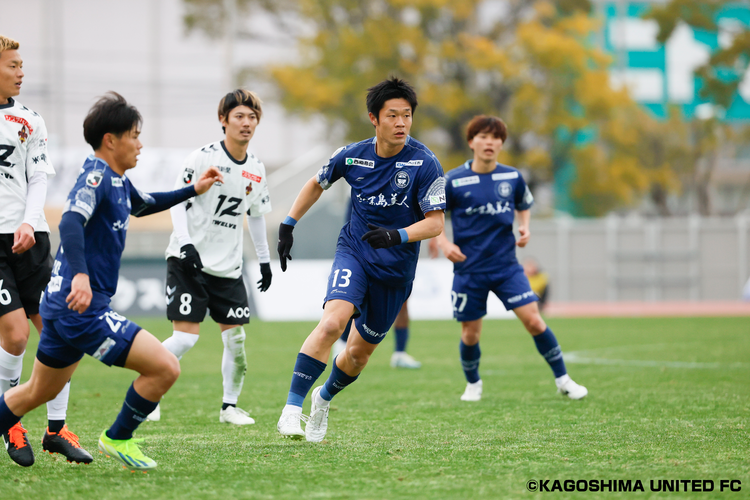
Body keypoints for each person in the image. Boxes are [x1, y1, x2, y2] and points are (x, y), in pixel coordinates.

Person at [0, 92, 223, 471]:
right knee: (165, 367)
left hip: (61, 308)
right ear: (111, 140)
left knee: (36, 391)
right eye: (134, 135)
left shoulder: (117, 180)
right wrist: (81, 275)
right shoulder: (97, 176)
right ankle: (118, 437)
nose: (140, 144)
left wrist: (193, 190)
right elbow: (71, 221)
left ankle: (76, 433)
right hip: (81, 310)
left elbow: (144, 203)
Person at [276, 77, 446, 442]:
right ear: (374, 118)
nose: (401, 123)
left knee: (356, 356)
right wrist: (288, 224)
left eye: (407, 115)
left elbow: (435, 224)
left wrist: (396, 236)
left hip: (395, 271)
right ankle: (291, 410)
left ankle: (323, 399)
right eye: (392, 115)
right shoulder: (351, 156)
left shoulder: (426, 163)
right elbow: (316, 183)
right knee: (331, 325)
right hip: (354, 252)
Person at [432, 115, 586, 402]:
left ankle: (564, 380)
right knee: (470, 335)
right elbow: (434, 215)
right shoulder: (453, 180)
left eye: (496, 137)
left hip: (506, 268)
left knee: (535, 321)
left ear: (502, 143)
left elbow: (523, 204)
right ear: (471, 142)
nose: (490, 142)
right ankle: (473, 384)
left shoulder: (512, 177)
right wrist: (443, 243)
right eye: (483, 136)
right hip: (469, 269)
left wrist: (525, 226)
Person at [149, 89, 272, 425]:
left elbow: (256, 215)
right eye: (239, 116)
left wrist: (264, 260)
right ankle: (147, 393)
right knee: (185, 338)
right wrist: (186, 243)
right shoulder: (202, 158)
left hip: (228, 268)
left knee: (237, 340)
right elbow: (177, 200)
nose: (246, 123)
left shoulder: (256, 168)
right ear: (223, 120)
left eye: (252, 117)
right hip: (189, 261)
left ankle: (229, 407)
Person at [0, 35, 89, 466]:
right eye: (13, 65)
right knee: (16, 335)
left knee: (62, 334)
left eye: (22, 64)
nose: (22, 72)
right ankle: (11, 423)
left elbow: (38, 178)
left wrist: (28, 221)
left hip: (31, 238)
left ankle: (56, 430)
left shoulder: (30, 120)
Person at [331, 197, 423, 369]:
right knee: (354, 302)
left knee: (402, 304)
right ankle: (342, 344)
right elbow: (351, 226)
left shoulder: (403, 192)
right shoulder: (362, 190)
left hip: (397, 256)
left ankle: (400, 353)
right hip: (367, 257)